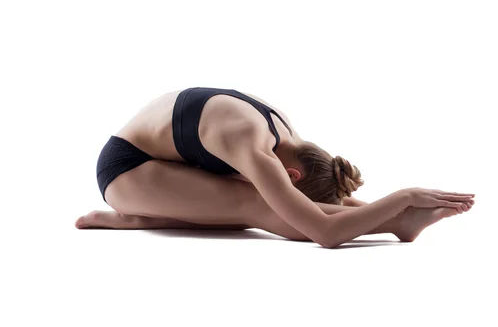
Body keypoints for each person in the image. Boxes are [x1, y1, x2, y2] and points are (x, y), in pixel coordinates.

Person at [76, 87, 475, 248]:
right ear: (292, 176)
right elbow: (324, 231)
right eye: (291, 192)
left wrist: (380, 204)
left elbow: (311, 209)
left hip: (168, 163)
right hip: (128, 169)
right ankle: (398, 225)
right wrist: (400, 202)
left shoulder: (286, 136)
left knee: (248, 204)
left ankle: (136, 219)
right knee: (258, 208)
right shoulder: (255, 148)